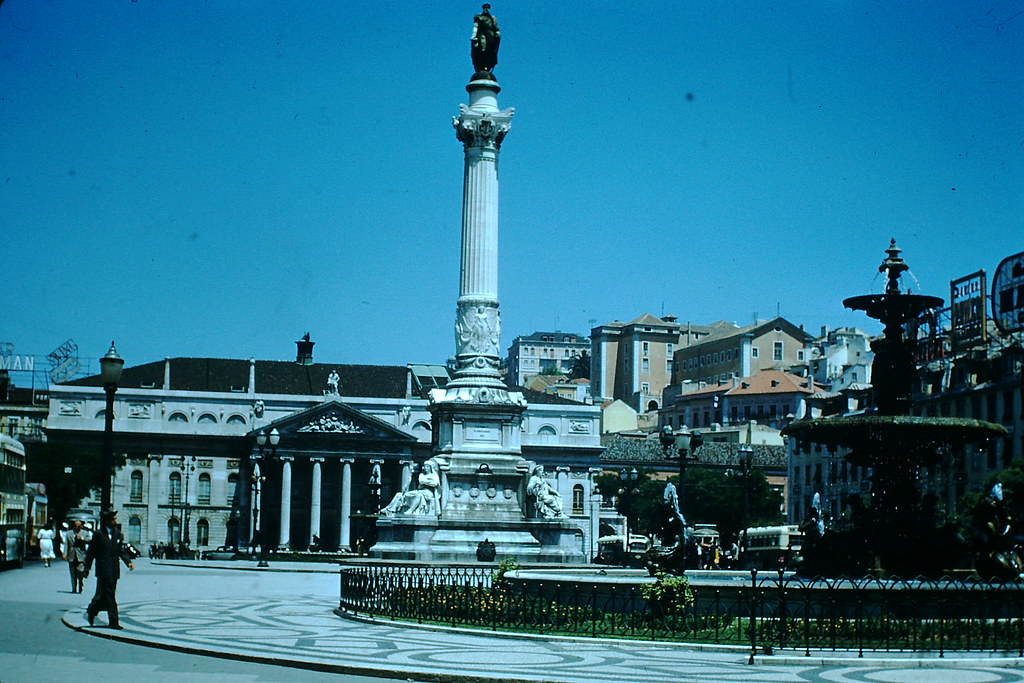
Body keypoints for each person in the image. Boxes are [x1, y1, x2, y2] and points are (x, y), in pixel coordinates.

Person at [85, 510, 134, 629]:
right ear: (107, 521)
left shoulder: (117, 533)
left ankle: (92, 609)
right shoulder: (98, 534)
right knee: (110, 595)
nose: (115, 521)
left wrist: (128, 562)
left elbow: (120, 551)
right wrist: (87, 568)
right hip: (103, 569)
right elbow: (91, 552)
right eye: (113, 519)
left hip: (114, 570)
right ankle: (114, 621)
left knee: (103, 595)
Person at [470, 3, 500, 74]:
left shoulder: (493, 18)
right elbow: (475, 27)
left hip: (491, 35)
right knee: (482, 48)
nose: (486, 9)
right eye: (485, 8)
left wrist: (498, 34)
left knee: (490, 51)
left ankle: (487, 65)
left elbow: (496, 28)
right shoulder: (479, 17)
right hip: (482, 34)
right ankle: (481, 64)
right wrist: (474, 36)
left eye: (487, 8)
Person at [64, 520, 89, 593]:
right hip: (72, 555)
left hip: (81, 555)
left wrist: (82, 538)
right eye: (76, 526)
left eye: (79, 526)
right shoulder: (69, 533)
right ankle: (74, 588)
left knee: (80, 571)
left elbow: (90, 540)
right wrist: (65, 553)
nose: (77, 527)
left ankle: (80, 583)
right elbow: (66, 544)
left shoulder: (85, 533)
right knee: (73, 573)